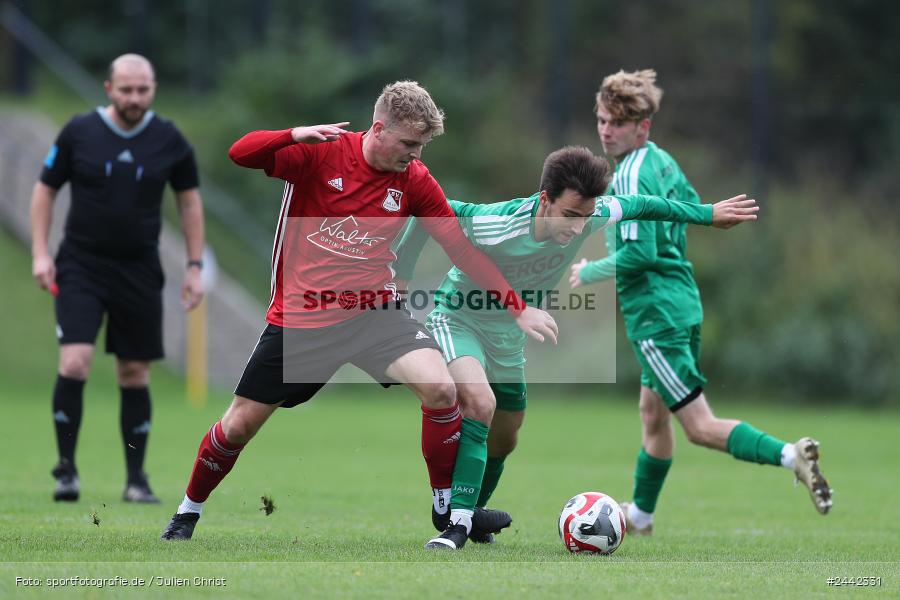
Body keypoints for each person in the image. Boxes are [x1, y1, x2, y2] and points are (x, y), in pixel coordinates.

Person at [159, 81, 557, 548]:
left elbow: (460, 249)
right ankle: (187, 512)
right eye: (409, 143)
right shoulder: (319, 154)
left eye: (422, 146)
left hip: (375, 312)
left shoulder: (414, 179)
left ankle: (445, 505)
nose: (415, 154)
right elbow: (239, 153)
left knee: (441, 387)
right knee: (239, 424)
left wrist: (515, 306)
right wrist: (292, 135)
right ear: (379, 128)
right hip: (303, 317)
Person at [394, 145, 758, 549]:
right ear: (545, 199)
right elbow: (426, 211)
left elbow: (645, 204)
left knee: (506, 435)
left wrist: (707, 214)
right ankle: (455, 526)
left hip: (508, 334)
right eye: (569, 215)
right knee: (480, 404)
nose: (576, 228)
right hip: (458, 317)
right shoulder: (497, 222)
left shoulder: (590, 216)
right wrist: (402, 278)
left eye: (585, 218)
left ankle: (472, 511)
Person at [569, 69, 832, 534]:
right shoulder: (663, 162)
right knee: (653, 414)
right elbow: (687, 210)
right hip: (682, 301)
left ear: (643, 126)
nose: (606, 130)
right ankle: (641, 518)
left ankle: (792, 456)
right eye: (602, 119)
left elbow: (640, 254)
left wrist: (587, 271)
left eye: (617, 123)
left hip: (655, 314)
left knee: (698, 426)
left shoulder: (629, 175)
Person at [30, 54, 206, 504]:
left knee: (134, 372)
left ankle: (136, 480)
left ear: (154, 89)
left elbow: (189, 203)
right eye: (125, 89)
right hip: (80, 265)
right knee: (74, 362)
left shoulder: (170, 140)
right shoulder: (78, 132)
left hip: (140, 269)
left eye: (142, 89)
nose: (134, 98)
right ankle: (66, 471)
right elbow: (45, 190)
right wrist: (39, 252)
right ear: (108, 88)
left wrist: (193, 266)